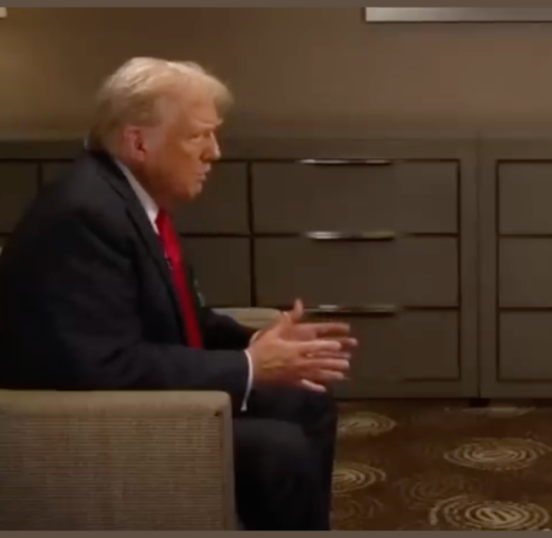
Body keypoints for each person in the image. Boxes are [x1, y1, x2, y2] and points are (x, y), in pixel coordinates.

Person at [0, 57, 357, 530]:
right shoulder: (84, 216)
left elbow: (184, 317)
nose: (214, 153)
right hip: (91, 424)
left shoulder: (127, 202)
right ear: (138, 142)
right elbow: (105, 366)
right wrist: (250, 367)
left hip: (144, 395)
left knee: (309, 403)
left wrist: (256, 342)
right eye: (198, 136)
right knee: (279, 450)